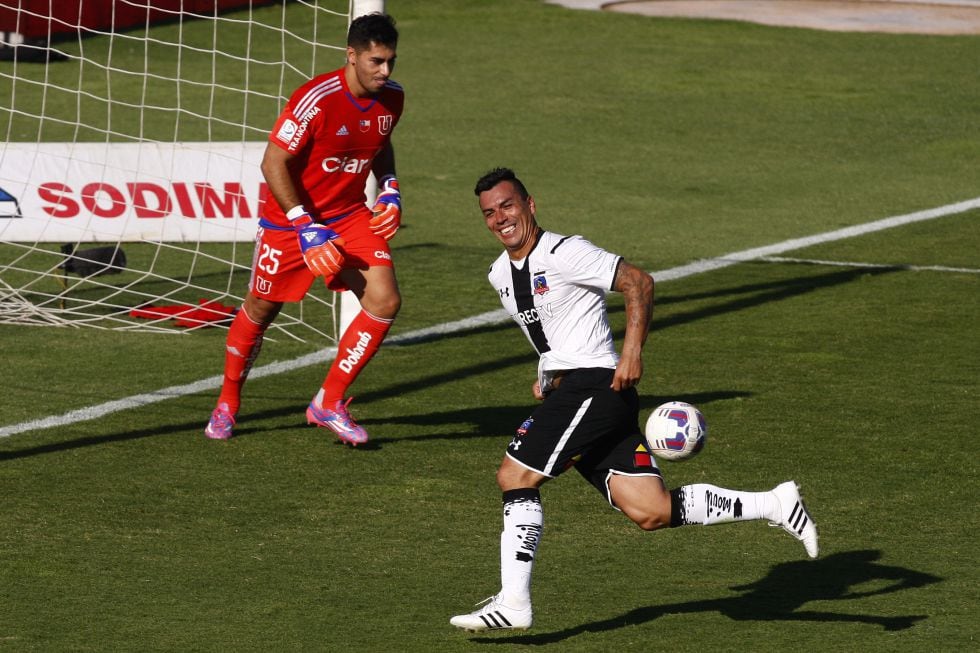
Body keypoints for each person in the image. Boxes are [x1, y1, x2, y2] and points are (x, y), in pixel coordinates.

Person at [450, 168, 818, 632]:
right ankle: (775, 503)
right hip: (577, 393)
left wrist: (631, 351)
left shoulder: (566, 251)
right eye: (489, 212)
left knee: (514, 475)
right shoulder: (499, 274)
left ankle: (514, 602)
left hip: (597, 386)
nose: (500, 218)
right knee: (652, 510)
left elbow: (638, 282)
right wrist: (546, 372)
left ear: (530, 204)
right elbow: (555, 329)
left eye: (508, 205)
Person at [204, 13, 404, 445]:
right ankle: (227, 402)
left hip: (349, 216)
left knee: (385, 300)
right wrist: (304, 225)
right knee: (261, 309)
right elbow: (272, 162)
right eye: (375, 62)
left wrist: (389, 188)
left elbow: (381, 143)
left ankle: (328, 402)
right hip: (290, 223)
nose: (385, 71)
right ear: (351, 56)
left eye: (390, 61)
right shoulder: (315, 98)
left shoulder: (393, 98)